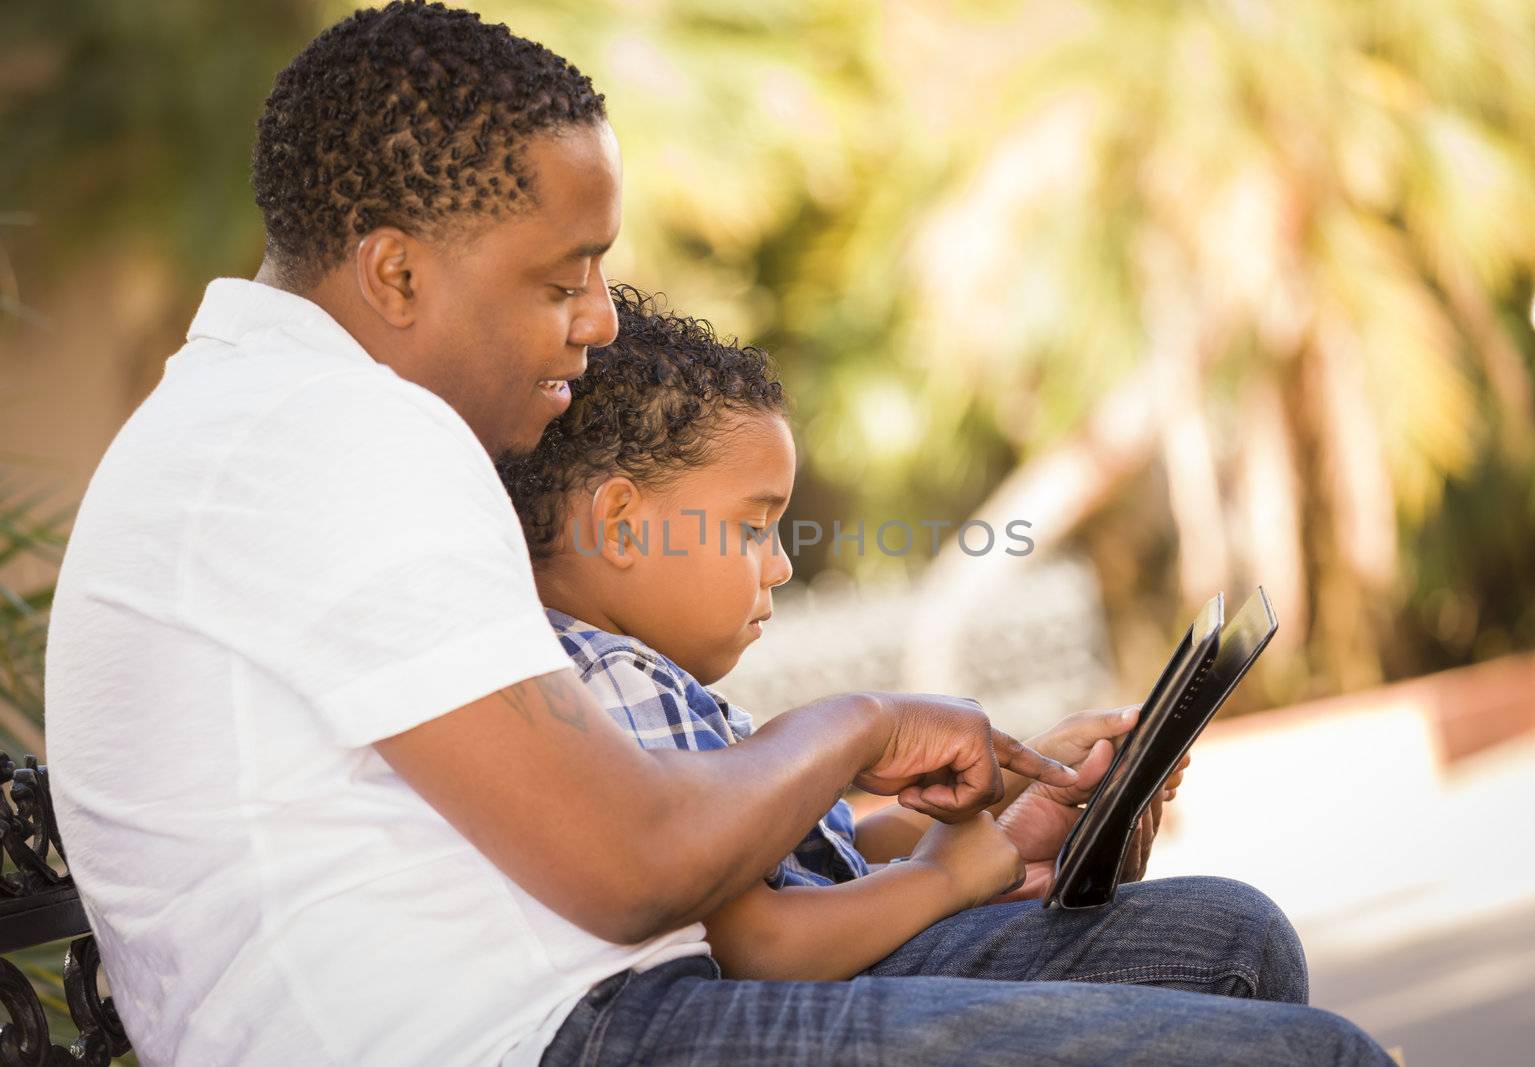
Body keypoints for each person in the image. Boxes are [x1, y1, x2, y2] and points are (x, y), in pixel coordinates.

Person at [41, 4, 1395, 1064]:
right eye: (561, 279)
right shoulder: (322, 441)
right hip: (546, 1037)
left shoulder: (288, 418)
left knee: (1220, 942)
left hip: (599, 999)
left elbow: (606, 820)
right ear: (397, 271)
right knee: (1309, 1053)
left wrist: (942, 825)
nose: (603, 320)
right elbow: (638, 863)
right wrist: (860, 725)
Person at [497, 283, 1188, 982]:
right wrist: (945, 882)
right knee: (1216, 932)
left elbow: (825, 855)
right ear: (620, 525)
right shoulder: (615, 680)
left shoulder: (628, 680)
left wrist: (1019, 781)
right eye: (752, 527)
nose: (782, 562)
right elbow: (762, 942)